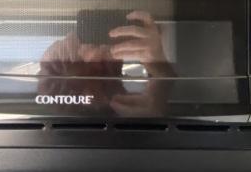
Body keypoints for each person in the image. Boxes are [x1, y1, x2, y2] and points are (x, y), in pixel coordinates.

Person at [37, 10, 175, 116]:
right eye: (107, 74)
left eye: (84, 66)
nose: (97, 56)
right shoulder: (154, 42)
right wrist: (160, 72)